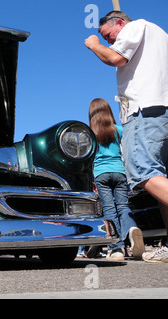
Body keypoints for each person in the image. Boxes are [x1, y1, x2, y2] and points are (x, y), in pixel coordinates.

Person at [85, 11, 168, 263]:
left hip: (145, 110)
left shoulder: (137, 27)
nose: (110, 41)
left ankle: (116, 244)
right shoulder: (161, 36)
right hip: (161, 109)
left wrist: (94, 44)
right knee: (160, 178)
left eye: (109, 35)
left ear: (119, 22)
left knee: (144, 172)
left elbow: (115, 58)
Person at [89, 98, 144, 261]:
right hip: (120, 172)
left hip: (101, 173)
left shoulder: (91, 133)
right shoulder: (119, 130)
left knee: (109, 209)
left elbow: (89, 157)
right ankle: (132, 229)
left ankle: (117, 248)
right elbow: (126, 151)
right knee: (123, 206)